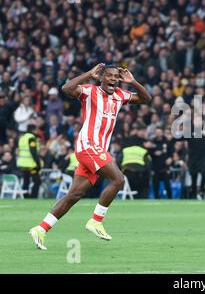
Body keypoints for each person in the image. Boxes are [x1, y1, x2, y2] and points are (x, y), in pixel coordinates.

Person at [29, 63, 151, 250]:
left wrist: (132, 81)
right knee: (118, 180)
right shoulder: (89, 92)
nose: (113, 79)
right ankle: (96, 221)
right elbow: (66, 88)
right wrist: (88, 74)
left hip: (98, 149)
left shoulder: (120, 95)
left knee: (74, 195)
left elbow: (146, 98)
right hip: (88, 146)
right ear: (101, 77)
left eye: (116, 76)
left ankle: (41, 229)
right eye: (109, 75)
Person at [17, 124, 41, 198]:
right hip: (31, 164)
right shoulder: (31, 138)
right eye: (36, 129)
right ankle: (33, 197)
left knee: (26, 181)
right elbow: (33, 151)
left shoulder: (22, 138)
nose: (37, 131)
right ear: (33, 130)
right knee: (37, 181)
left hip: (22, 163)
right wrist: (38, 163)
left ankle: (26, 196)